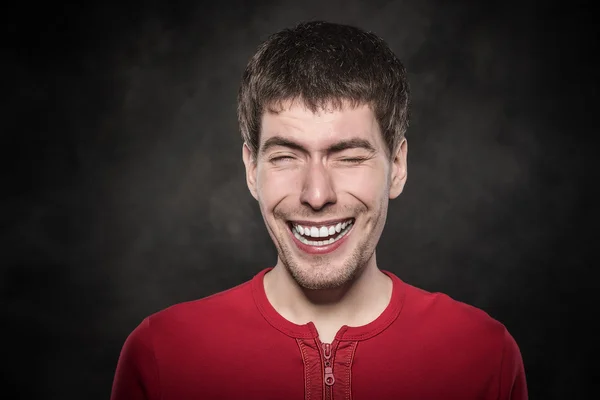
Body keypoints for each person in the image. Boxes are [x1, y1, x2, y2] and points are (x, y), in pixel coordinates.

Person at [110, 21, 528, 399]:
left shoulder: (485, 355)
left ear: (397, 167)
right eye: (286, 157)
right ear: (251, 170)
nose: (315, 194)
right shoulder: (162, 356)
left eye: (348, 157)